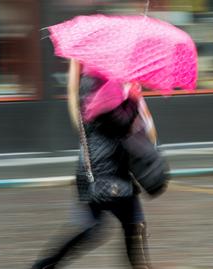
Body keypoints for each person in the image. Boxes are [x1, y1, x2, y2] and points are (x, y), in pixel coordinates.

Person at [31, 59, 167, 269]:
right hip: (104, 170)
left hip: (110, 166)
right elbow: (120, 123)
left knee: (129, 225)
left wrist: (133, 96)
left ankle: (45, 265)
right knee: (103, 227)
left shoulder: (109, 82)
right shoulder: (100, 85)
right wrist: (132, 98)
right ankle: (45, 265)